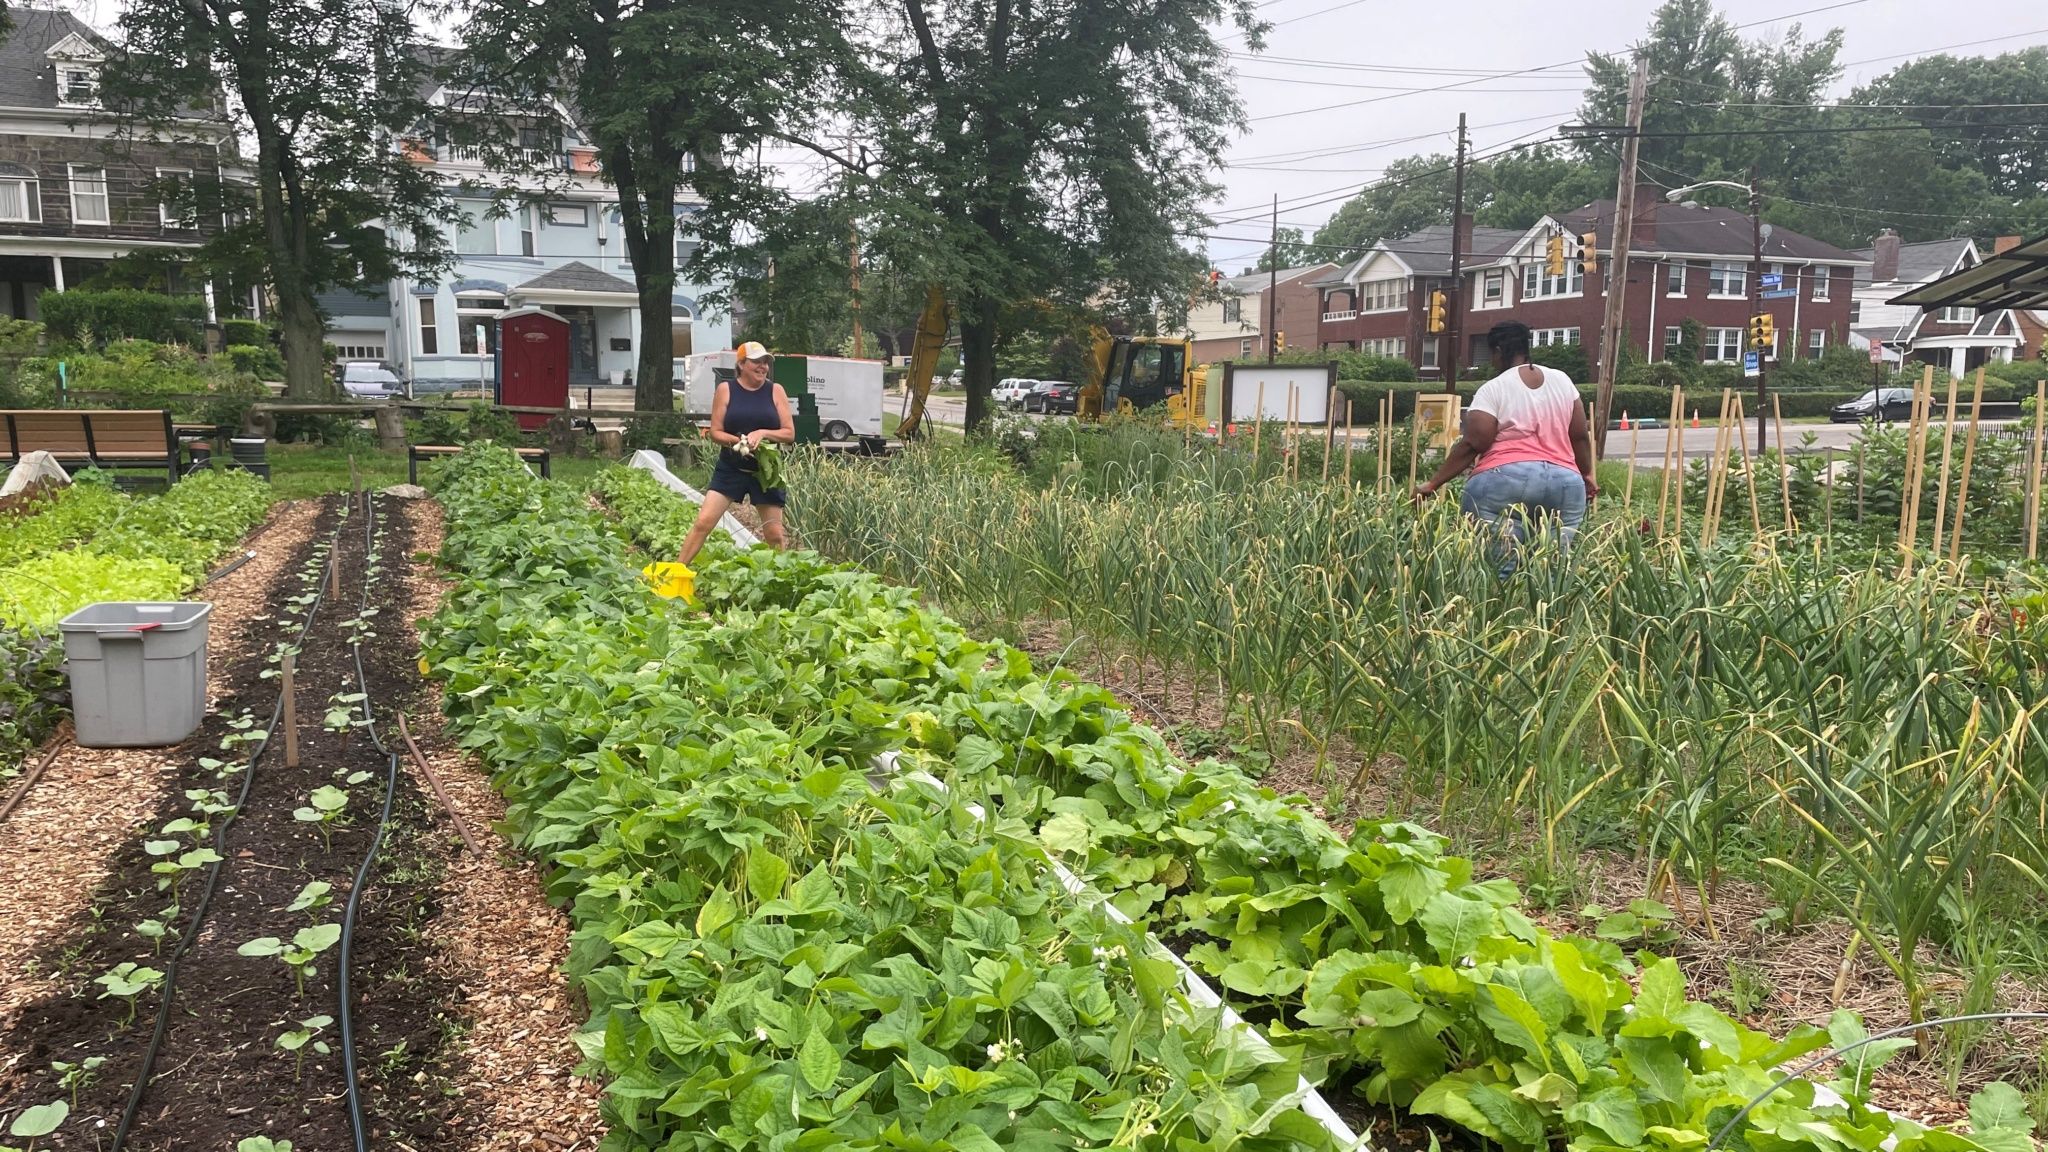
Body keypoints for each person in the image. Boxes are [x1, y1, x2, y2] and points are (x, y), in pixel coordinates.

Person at [1414, 321, 1597, 569]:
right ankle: (1548, 605)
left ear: (1499, 351)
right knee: (1554, 571)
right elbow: (1579, 435)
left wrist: (1434, 483)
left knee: (1502, 570)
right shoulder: (1563, 381)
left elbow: (1475, 442)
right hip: (1565, 483)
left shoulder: (1494, 388)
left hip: (1505, 480)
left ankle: (1503, 602)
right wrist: (1586, 474)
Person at [676, 341, 793, 565]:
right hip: (731, 468)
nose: (763, 366)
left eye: (765, 362)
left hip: (766, 474)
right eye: (756, 361)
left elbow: (789, 433)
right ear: (741, 364)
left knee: (775, 536)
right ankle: (675, 571)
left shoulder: (775, 391)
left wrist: (762, 433)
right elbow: (715, 432)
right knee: (703, 522)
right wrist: (740, 442)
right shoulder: (726, 390)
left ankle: (780, 581)